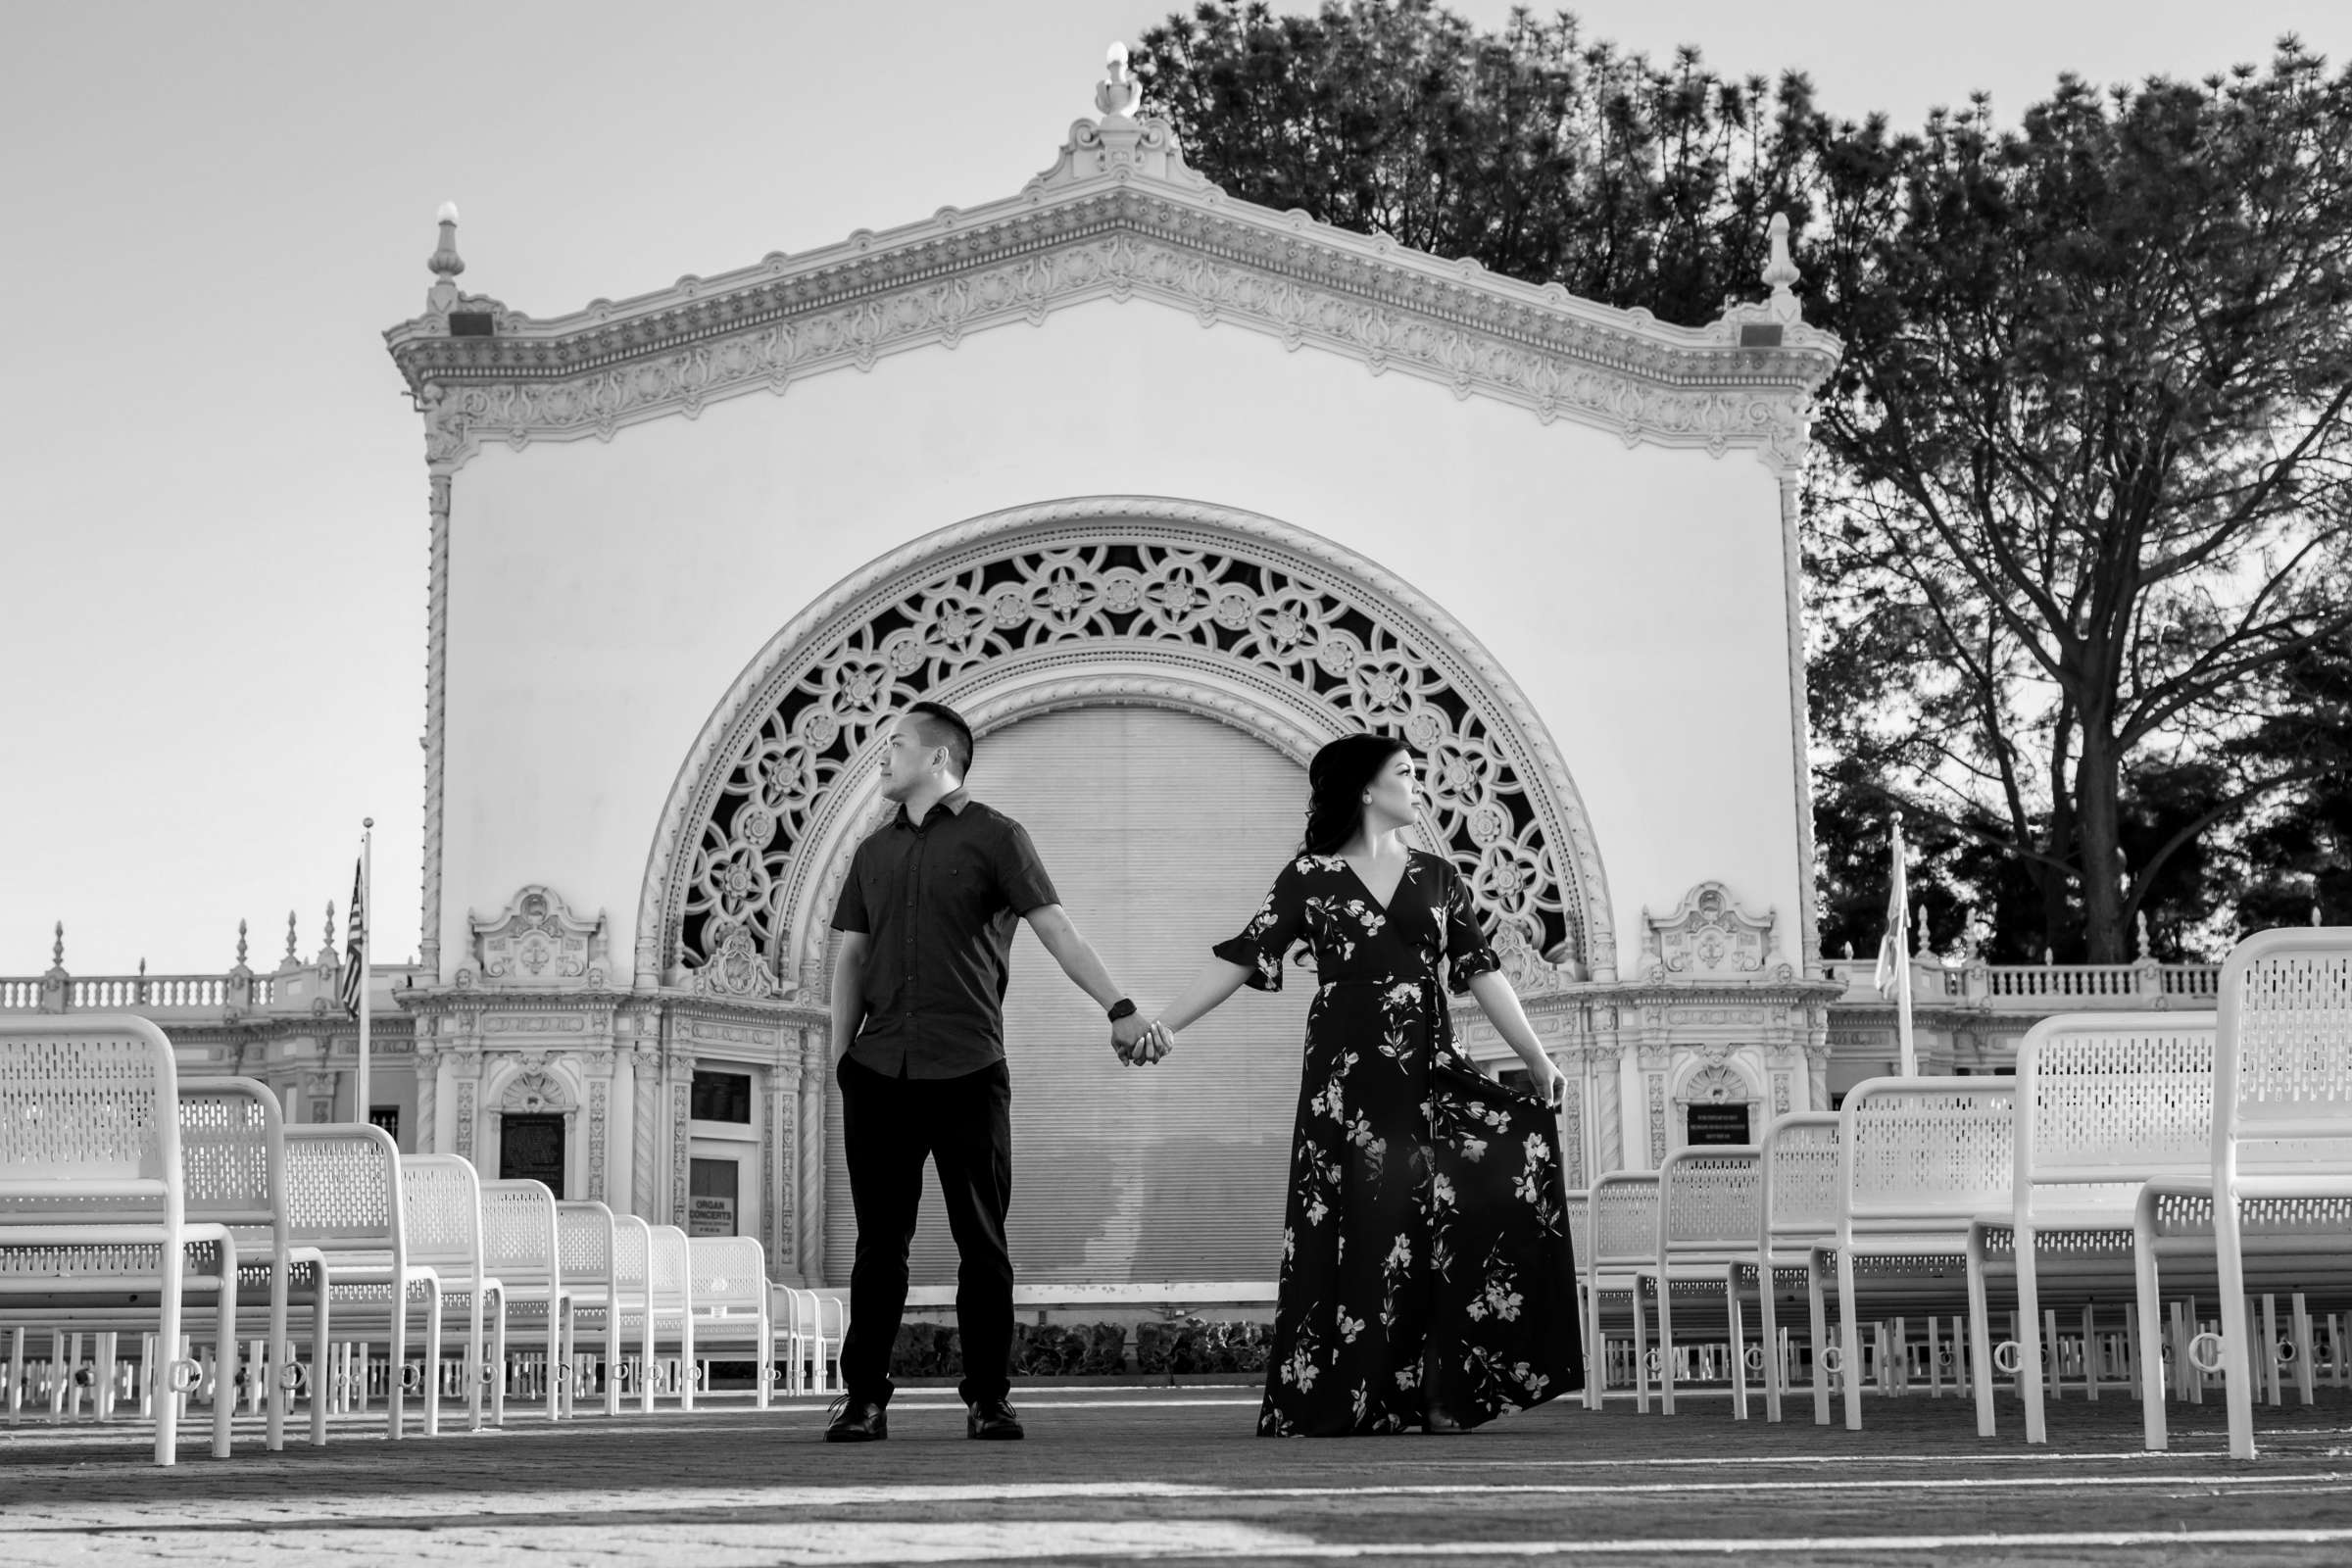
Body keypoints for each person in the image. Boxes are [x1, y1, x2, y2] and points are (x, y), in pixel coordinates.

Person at [1134, 732, 1584, 1436]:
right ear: (1367, 791)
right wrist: (1166, 1025)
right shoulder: (1308, 876)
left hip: (1425, 1067)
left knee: (1434, 1223)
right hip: (1343, 1079)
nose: (1418, 787)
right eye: (1405, 774)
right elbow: (1246, 956)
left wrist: (1535, 1056)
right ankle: (1351, 1393)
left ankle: (1437, 1391)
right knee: (1353, 1222)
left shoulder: (1439, 876)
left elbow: (1482, 970)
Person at [824, 700, 1159, 1443]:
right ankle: (864, 1400)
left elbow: (1056, 929)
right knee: (880, 1246)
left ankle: (988, 1398)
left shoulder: (997, 836)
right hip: (878, 1071)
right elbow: (850, 957)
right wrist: (840, 1058)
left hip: (969, 1069)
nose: (881, 757)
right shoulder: (871, 853)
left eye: (896, 744)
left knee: (983, 1243)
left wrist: (1121, 1007)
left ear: (940, 757)